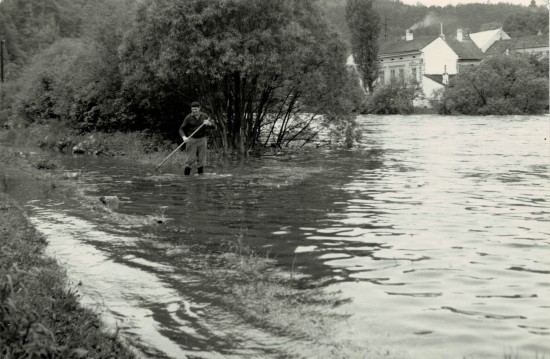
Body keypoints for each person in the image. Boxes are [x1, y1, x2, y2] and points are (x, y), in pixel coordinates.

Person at [179, 101, 215, 176]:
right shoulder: (188, 117)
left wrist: (209, 124)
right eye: (193, 109)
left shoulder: (204, 116)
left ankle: (200, 179)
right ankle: (186, 178)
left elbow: (214, 126)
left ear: (199, 108)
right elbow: (181, 129)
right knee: (190, 161)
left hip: (202, 140)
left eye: (196, 109)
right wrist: (184, 137)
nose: (194, 111)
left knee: (201, 160)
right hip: (191, 140)